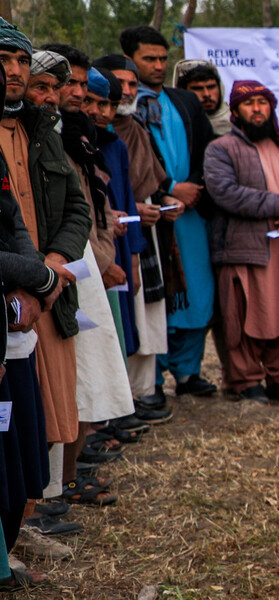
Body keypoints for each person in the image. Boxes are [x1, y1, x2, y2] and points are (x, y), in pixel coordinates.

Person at [1, 29, 97, 509]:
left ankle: (32, 516)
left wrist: (54, 266)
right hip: (8, 297)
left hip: (50, 292)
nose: (15, 70)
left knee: (45, 409)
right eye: (5, 59)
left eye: (22, 59)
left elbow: (78, 210)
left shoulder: (41, 129)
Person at [41, 50, 138, 500]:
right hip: (60, 266)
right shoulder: (47, 135)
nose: (78, 93)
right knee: (63, 379)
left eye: (82, 84)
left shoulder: (76, 136)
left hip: (83, 265)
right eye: (68, 84)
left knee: (88, 374)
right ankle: (52, 488)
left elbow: (84, 207)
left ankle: (69, 476)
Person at [122, 25, 219, 401]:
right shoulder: (124, 106)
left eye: (163, 58)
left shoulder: (185, 101)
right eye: (150, 59)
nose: (159, 66)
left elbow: (206, 151)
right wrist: (167, 190)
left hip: (191, 215)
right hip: (152, 217)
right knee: (159, 295)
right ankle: (154, 379)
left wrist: (192, 188)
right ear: (130, 59)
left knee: (198, 293)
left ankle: (188, 371)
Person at [204, 81, 279, 405]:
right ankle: (247, 381)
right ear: (236, 111)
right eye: (249, 103)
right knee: (245, 315)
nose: (257, 109)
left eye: (263, 102)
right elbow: (224, 192)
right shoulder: (221, 148)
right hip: (245, 248)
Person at [92, 62, 173, 425]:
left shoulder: (126, 137)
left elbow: (141, 184)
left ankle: (137, 396)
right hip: (97, 245)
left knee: (135, 316)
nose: (122, 95)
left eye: (130, 85)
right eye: (115, 88)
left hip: (134, 238)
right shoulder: (86, 140)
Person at [172, 59, 230, 137]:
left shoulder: (237, 121)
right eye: (197, 88)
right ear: (183, 92)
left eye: (211, 87)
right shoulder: (173, 124)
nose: (206, 94)